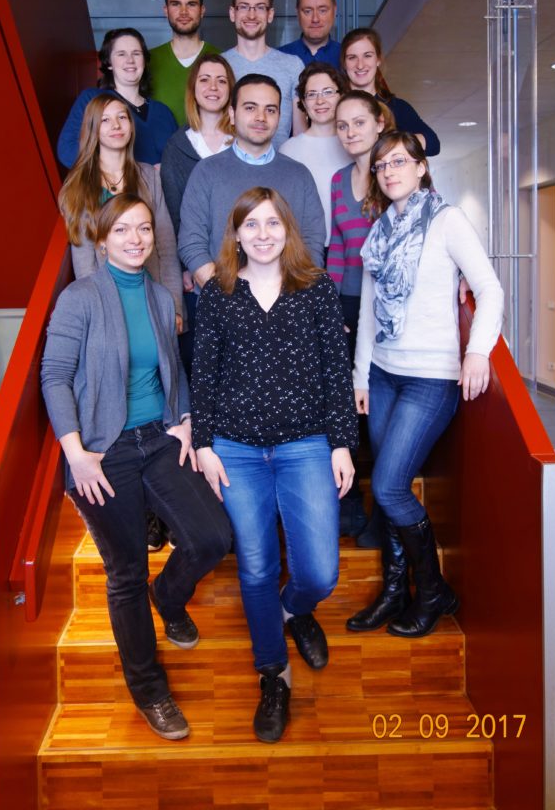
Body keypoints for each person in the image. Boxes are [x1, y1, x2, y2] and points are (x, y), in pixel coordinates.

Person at [41, 193, 231, 741]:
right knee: (126, 573)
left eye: (144, 228)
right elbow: (54, 377)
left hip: (159, 438)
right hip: (103, 451)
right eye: (121, 229)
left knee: (213, 537)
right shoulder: (80, 298)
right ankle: (150, 691)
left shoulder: (158, 296)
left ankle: (167, 597)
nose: (135, 238)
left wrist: (184, 419)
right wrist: (75, 454)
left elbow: (173, 369)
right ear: (102, 240)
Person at [191, 187, 358, 743]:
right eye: (251, 225)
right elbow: (203, 374)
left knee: (320, 573)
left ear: (288, 230)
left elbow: (336, 372)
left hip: (305, 445)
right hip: (236, 450)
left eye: (272, 223)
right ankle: (273, 674)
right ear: (236, 235)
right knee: (257, 567)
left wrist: (341, 444)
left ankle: (293, 609)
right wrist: (205, 444)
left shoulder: (315, 288)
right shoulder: (218, 292)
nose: (262, 234)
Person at [346, 133, 503, 639]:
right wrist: (361, 375)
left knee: (390, 487)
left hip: (430, 378)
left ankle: (434, 593)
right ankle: (396, 592)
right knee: (386, 488)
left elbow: (490, 288)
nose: (389, 171)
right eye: (381, 165)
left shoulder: (447, 220)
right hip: (384, 375)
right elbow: (370, 312)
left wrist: (477, 350)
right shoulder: (379, 232)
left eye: (399, 161)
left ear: (420, 167)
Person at [178, 74, 326, 287]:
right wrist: (225, 298)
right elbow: (191, 243)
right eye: (250, 108)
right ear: (232, 114)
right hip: (221, 298)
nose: (261, 117)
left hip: (287, 300)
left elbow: (312, 244)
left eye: (270, 110)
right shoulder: (206, 172)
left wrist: (287, 297)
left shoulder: (300, 175)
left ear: (279, 117)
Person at [328, 89, 393, 542]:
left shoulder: (394, 174)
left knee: (380, 409)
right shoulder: (337, 180)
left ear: (379, 123)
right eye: (342, 125)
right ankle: (348, 503)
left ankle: (382, 513)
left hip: (387, 309)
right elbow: (337, 248)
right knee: (343, 403)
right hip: (348, 304)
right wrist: (331, 307)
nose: (350, 132)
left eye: (359, 122)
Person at [58, 93, 182, 324]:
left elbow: (166, 247)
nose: (116, 125)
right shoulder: (77, 186)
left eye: (122, 117)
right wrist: (99, 316)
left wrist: (174, 307)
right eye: (105, 120)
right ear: (92, 129)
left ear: (131, 126)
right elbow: (84, 261)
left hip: (153, 299)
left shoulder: (149, 176)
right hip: (107, 305)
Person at [160, 52, 236, 373]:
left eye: (221, 81)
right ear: (193, 88)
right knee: (202, 360)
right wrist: (184, 266)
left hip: (245, 268)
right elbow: (172, 212)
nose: (213, 87)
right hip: (197, 271)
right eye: (205, 80)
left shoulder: (245, 142)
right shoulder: (177, 146)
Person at [57, 28, 177, 169]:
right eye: (121, 54)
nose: (130, 60)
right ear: (109, 63)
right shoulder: (92, 98)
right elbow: (67, 150)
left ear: (144, 61)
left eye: (136, 53)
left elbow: (178, 158)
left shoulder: (163, 112)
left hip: (159, 184)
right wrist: (126, 172)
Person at [222, 0, 305, 145]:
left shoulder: (293, 65)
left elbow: (300, 135)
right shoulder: (218, 67)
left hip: (279, 161)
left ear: (270, 14)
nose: (251, 15)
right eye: (244, 7)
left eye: (260, 7)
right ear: (232, 13)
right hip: (228, 161)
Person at [279, 61, 350, 251]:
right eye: (311, 94)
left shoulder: (354, 144)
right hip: (304, 250)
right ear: (302, 102)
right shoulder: (288, 150)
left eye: (328, 92)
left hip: (350, 248)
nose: (320, 101)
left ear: (341, 96)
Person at [340, 28, 441, 156]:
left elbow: (433, 144)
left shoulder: (397, 107)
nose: (360, 65)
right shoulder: (335, 105)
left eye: (367, 56)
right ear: (344, 63)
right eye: (352, 57)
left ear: (378, 60)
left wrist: (388, 148)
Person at [149, 0, 220, 127]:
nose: (183, 12)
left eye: (191, 4)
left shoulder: (221, 59)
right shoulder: (146, 61)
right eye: (176, 4)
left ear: (202, 10)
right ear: (166, 10)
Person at [279, 0, 341, 68]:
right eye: (307, 11)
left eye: (322, 11)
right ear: (297, 13)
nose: (315, 19)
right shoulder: (279, 58)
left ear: (334, 11)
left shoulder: (348, 58)